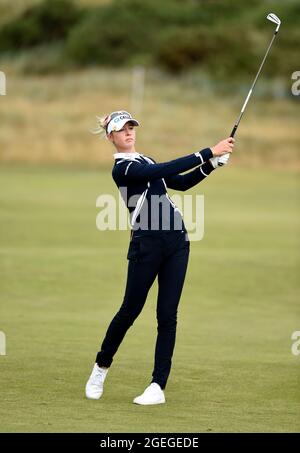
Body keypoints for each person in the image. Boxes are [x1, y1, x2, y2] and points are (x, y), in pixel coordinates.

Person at [85, 110, 234, 405]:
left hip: (177, 241)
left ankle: (157, 386)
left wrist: (211, 166)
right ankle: (101, 367)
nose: (129, 132)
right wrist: (208, 152)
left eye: (131, 127)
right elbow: (163, 170)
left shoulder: (146, 160)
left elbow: (179, 182)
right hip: (147, 244)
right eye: (122, 129)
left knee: (167, 315)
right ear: (110, 137)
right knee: (130, 310)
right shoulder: (123, 171)